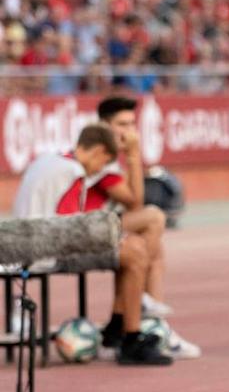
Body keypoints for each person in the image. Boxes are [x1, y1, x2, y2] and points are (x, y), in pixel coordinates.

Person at [12, 124, 171, 366]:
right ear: (98, 151)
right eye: (103, 163)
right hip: (46, 251)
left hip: (26, 243)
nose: (99, 170)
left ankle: (122, 324)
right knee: (135, 250)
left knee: (129, 244)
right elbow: (71, 227)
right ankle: (130, 337)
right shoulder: (73, 171)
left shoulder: (46, 160)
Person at [96, 96, 200, 359]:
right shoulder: (98, 154)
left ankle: (145, 322)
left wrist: (131, 158)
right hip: (84, 232)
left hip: (102, 226)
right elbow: (136, 203)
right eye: (121, 124)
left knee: (151, 249)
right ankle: (137, 314)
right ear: (104, 125)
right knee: (153, 218)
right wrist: (133, 156)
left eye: (132, 124)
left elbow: (132, 205)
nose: (128, 131)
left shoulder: (111, 155)